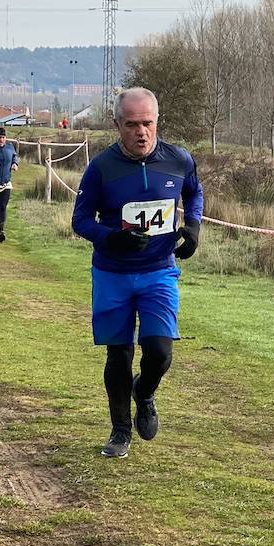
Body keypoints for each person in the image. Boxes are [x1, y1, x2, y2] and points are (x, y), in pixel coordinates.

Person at [71, 87, 203, 459]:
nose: (141, 132)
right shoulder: (101, 167)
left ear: (157, 121)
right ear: (117, 125)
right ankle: (120, 431)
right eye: (131, 125)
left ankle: (143, 392)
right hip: (113, 273)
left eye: (147, 123)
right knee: (119, 355)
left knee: (159, 352)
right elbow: (80, 220)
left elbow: (194, 192)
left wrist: (193, 227)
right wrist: (112, 238)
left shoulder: (178, 159)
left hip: (159, 271)